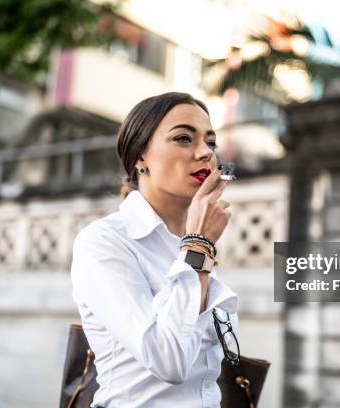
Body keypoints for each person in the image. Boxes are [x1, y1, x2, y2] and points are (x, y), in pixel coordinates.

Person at [70, 92, 238, 408]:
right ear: (140, 156)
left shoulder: (190, 242)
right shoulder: (105, 241)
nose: (204, 153)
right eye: (184, 138)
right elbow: (168, 362)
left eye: (211, 142)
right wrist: (199, 246)